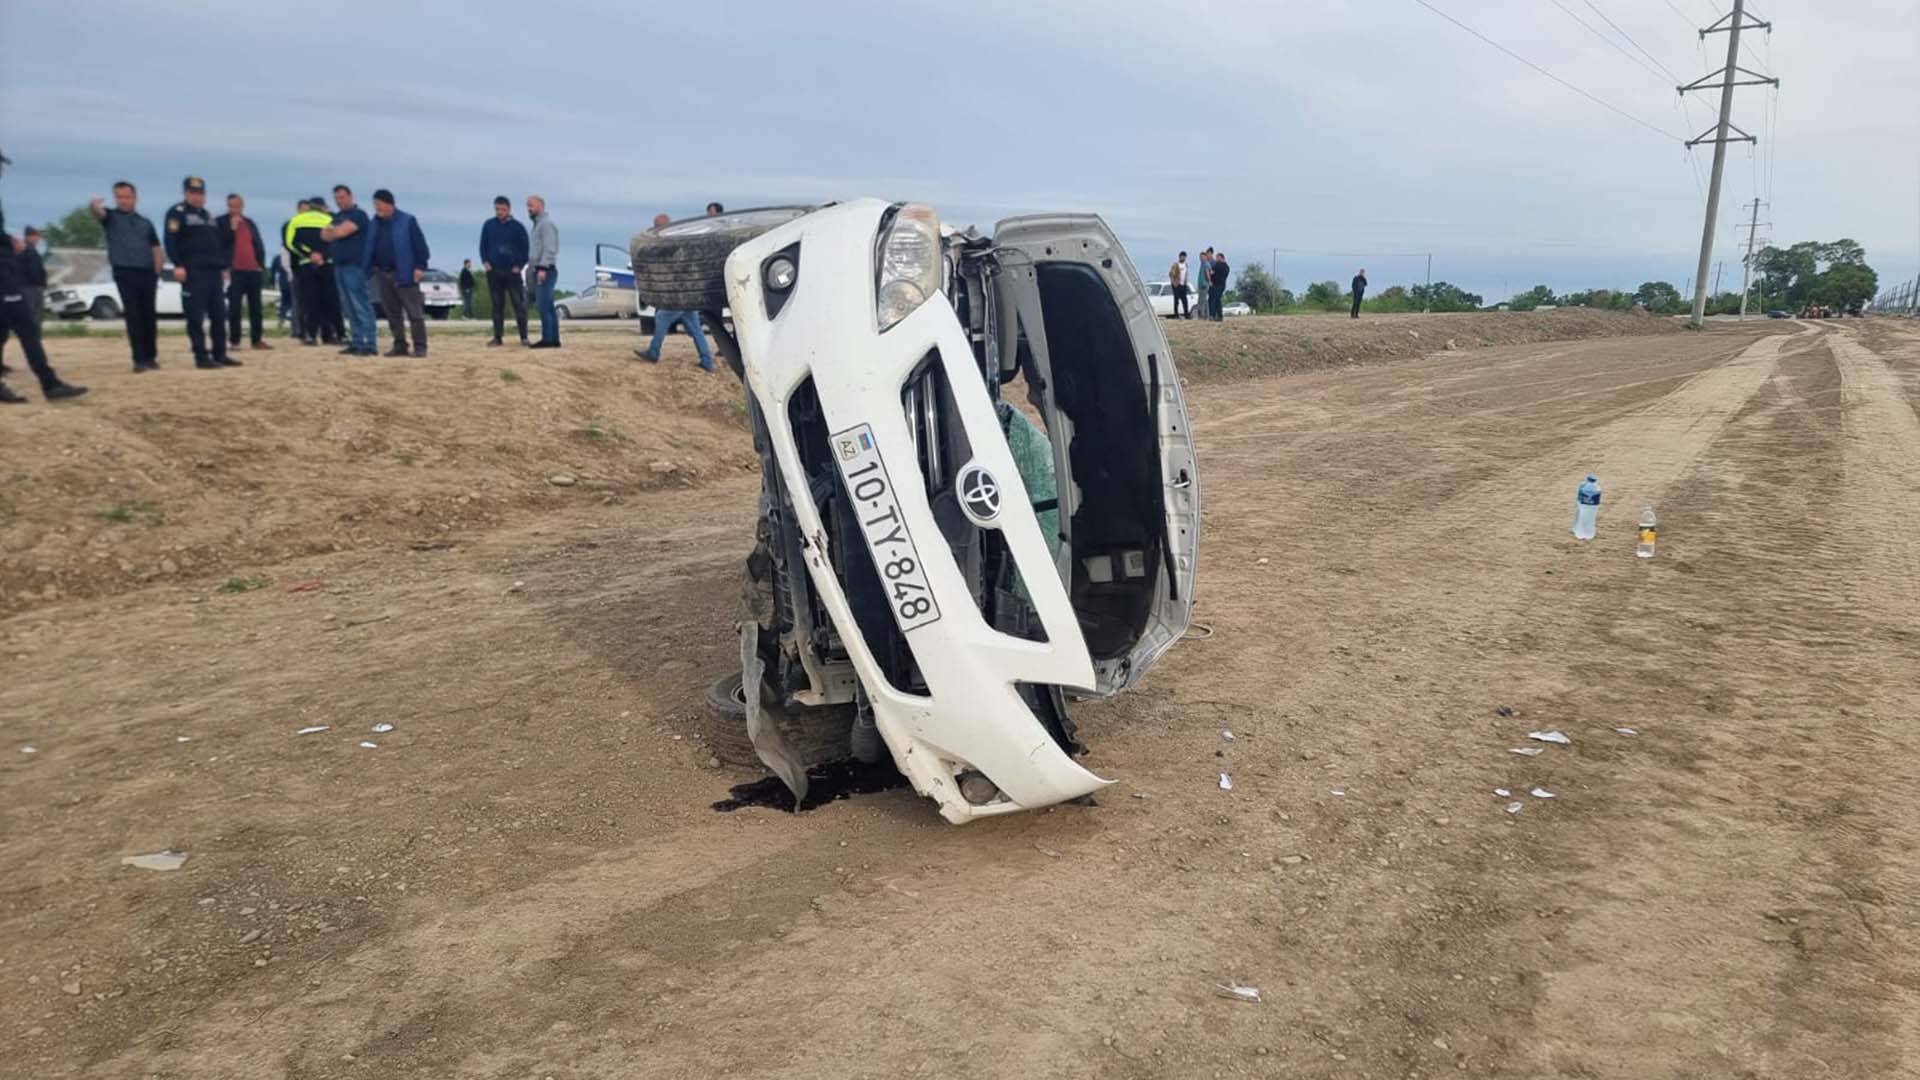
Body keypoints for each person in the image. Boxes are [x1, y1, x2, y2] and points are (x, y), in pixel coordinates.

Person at [0, 148, 86, 403]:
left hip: (5, 272)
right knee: (27, 327)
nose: (2, 169)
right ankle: (50, 384)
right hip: (3, 277)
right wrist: (10, 241)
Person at [165, 176, 240, 369]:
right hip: (193, 271)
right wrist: (178, 264)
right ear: (185, 193)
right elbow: (171, 240)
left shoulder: (207, 216)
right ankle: (201, 356)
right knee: (196, 316)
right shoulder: (177, 213)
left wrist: (223, 265)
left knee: (218, 314)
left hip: (213, 271)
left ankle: (220, 353)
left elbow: (217, 244)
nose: (198, 197)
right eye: (193, 193)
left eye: (200, 193)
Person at [90, 180, 165, 371]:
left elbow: (156, 248)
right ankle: (138, 360)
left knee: (149, 315)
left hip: (147, 272)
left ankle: (150, 357)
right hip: (125, 270)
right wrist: (94, 206)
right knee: (134, 316)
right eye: (119, 197)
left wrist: (157, 272)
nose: (123, 201)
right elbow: (99, 213)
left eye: (127, 197)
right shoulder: (111, 217)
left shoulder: (145, 222)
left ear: (135, 197)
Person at [633, 213, 716, 372]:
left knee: (662, 317)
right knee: (695, 328)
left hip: (679, 293)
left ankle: (653, 352)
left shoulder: (669, 242)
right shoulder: (678, 240)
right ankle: (707, 361)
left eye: (656, 226)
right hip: (687, 292)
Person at [364, 189, 431, 357]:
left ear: (389, 204)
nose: (376, 208)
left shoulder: (407, 221)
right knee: (392, 313)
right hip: (382, 273)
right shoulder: (374, 224)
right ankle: (400, 345)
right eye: (375, 205)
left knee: (414, 313)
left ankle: (420, 346)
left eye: (378, 204)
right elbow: (369, 247)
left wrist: (419, 267)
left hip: (405, 273)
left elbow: (421, 248)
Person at [321, 185, 375, 356]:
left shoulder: (359, 215)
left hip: (355, 266)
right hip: (339, 266)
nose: (339, 201)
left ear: (350, 196)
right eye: (336, 198)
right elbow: (324, 235)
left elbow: (340, 233)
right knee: (349, 307)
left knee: (360, 305)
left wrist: (334, 231)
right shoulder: (338, 216)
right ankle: (356, 341)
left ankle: (369, 343)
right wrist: (333, 230)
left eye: (342, 197)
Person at [216, 193, 271, 351]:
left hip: (253, 270)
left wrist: (260, 264)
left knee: (256, 307)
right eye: (231, 206)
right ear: (227, 206)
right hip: (234, 271)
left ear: (242, 206)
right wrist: (231, 229)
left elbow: (258, 244)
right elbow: (218, 243)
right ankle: (235, 340)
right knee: (234, 307)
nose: (234, 209)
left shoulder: (249, 223)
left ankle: (257, 339)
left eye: (237, 206)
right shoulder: (220, 222)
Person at [479, 196, 531, 347]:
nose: (500, 212)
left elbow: (525, 249)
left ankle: (524, 337)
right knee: (497, 305)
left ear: (509, 209)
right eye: (497, 209)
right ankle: (497, 337)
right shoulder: (488, 225)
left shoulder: (518, 227)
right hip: (494, 271)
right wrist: (485, 261)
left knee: (518, 304)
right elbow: (483, 245)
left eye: (503, 209)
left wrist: (519, 265)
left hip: (512, 272)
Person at [284, 198, 335, 345]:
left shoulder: (295, 220)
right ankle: (329, 335)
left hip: (305, 265)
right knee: (328, 301)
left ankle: (310, 335)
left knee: (309, 302)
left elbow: (290, 243)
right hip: (326, 264)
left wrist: (309, 254)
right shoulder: (330, 219)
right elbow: (335, 242)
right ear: (322, 207)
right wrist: (323, 256)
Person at [0, 226, 47, 375]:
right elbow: (34, 271)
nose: (38, 239)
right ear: (31, 236)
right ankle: (41, 367)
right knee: (31, 325)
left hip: (22, 287)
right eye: (37, 236)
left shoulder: (24, 250)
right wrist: (39, 283)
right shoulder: (28, 250)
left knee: (6, 327)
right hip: (30, 288)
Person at [526, 194, 560, 348]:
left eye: (531, 205)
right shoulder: (537, 225)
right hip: (540, 269)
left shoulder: (546, 224)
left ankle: (548, 339)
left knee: (543, 305)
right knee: (548, 305)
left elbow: (549, 248)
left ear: (541, 206)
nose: (529, 208)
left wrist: (542, 268)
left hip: (545, 270)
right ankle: (554, 339)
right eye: (528, 205)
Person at [270, 252, 293, 326]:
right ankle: (293, 322)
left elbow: (272, 272)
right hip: (292, 282)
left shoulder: (277, 258)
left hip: (282, 283)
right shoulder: (294, 257)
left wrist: (272, 283)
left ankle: (281, 320)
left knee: (284, 301)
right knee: (294, 302)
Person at [1207, 250, 1230, 322]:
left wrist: (1210, 276)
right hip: (1222, 285)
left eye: (1217, 257)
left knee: (1213, 300)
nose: (1216, 259)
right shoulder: (1227, 267)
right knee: (1217, 300)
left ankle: (1212, 315)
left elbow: (1211, 272)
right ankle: (1220, 316)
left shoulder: (1218, 265)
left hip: (1215, 285)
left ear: (1221, 257)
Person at [1168, 251, 1190, 319]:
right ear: (1179, 257)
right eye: (1182, 256)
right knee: (1176, 300)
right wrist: (1173, 283)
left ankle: (1186, 314)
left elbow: (1186, 274)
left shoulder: (1186, 265)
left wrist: (1186, 282)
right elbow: (1171, 274)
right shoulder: (1175, 264)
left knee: (1185, 300)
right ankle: (1176, 315)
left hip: (1184, 284)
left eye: (1184, 257)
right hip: (1177, 285)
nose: (1183, 258)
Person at [1196, 248, 1215, 320]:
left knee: (1202, 300)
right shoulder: (1202, 264)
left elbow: (1208, 272)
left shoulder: (1206, 263)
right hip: (1201, 284)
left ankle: (1202, 316)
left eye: (1202, 256)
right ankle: (1207, 315)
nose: (1200, 258)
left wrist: (1209, 281)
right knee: (1205, 300)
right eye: (1200, 257)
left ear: (1205, 257)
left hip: (1204, 284)